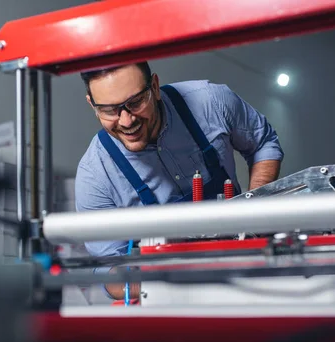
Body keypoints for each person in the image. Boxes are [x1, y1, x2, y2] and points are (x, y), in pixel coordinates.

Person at [75, 62, 284, 299]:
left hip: (247, 271)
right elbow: (108, 271)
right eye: (110, 110)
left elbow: (263, 142)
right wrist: (175, 280)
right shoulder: (95, 176)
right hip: (171, 295)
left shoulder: (210, 102)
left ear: (154, 86)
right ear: (92, 105)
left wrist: (253, 209)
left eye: (135, 103)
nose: (126, 121)